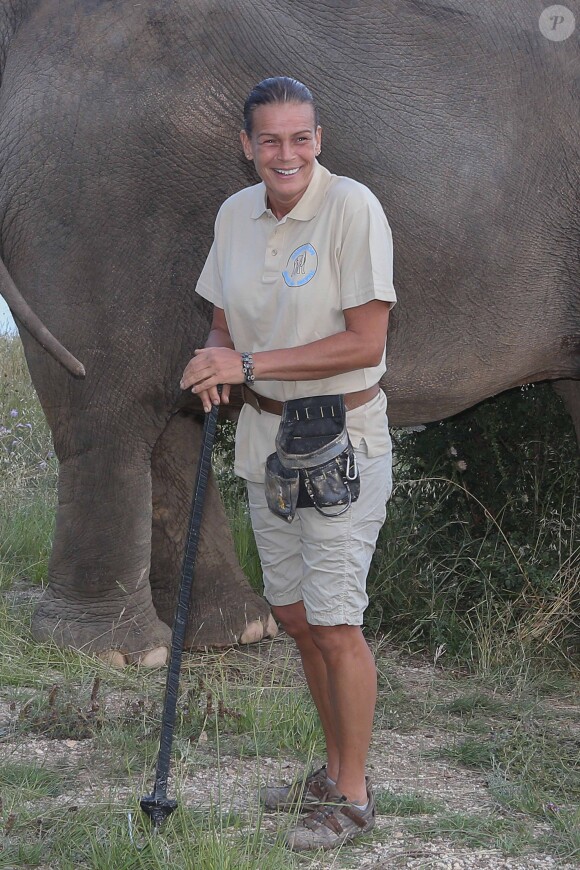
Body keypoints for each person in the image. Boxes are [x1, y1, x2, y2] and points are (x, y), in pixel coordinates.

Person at [180, 76, 397, 851]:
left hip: (341, 439)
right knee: (300, 618)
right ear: (247, 145)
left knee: (336, 623)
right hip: (264, 439)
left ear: (319, 139)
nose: (286, 153)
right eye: (269, 139)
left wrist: (245, 362)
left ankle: (355, 798)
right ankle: (334, 772)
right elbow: (220, 322)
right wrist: (214, 360)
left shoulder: (352, 208)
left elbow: (366, 341)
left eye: (300, 137)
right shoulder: (234, 215)